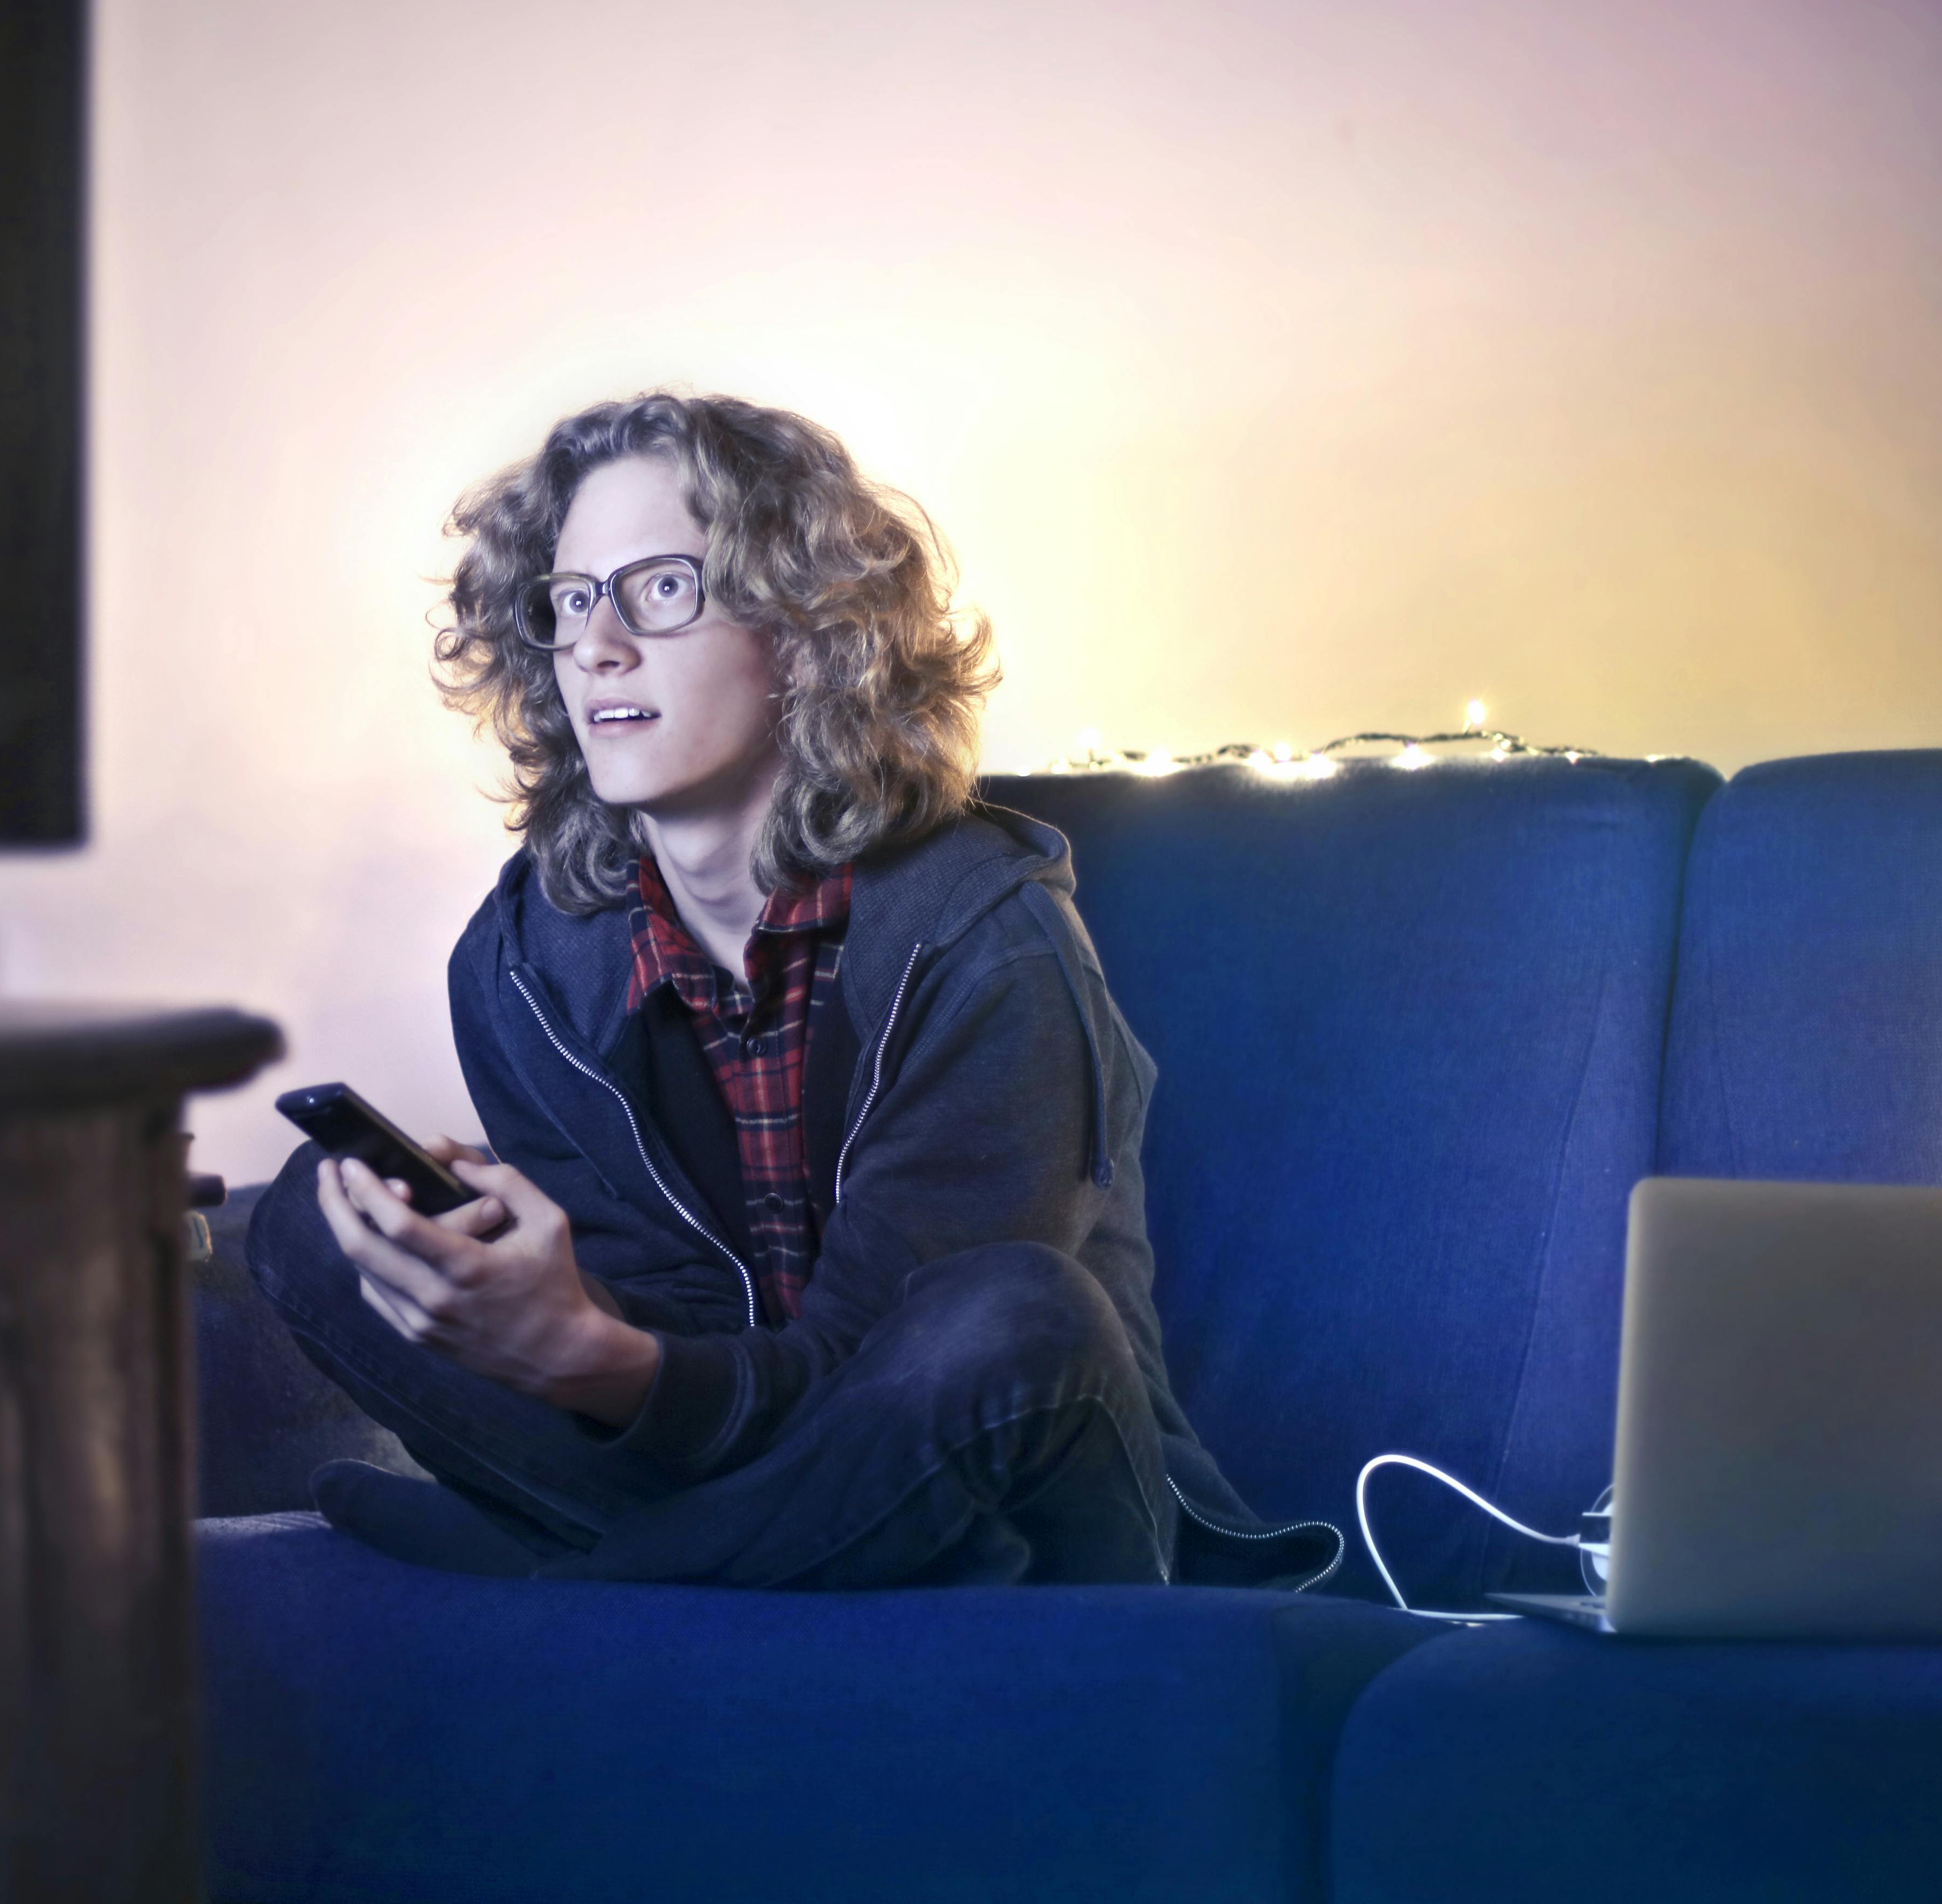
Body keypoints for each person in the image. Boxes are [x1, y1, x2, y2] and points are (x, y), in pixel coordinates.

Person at [244, 392, 1339, 1590]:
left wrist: (583, 1357)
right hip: (725, 1469)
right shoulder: (524, 965)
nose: (598, 646)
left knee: (1018, 1316)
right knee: (320, 1206)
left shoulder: (989, 946)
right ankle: (689, 1570)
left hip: (1010, 1509)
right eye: (570, 601)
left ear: (808, 635)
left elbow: (886, 1374)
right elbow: (676, 1351)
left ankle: (609, 1572)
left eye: (661, 589)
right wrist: (549, 1302)